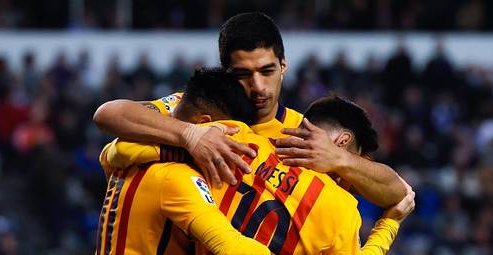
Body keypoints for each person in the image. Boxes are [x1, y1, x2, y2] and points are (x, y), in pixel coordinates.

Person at [104, 88, 415, 255]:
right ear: (343, 142)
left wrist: (134, 154)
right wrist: (388, 224)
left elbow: (121, 151)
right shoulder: (340, 206)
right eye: (357, 163)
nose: (352, 181)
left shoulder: (239, 141)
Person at [77, 69, 318, 255]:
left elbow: (111, 153)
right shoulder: (177, 178)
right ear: (204, 123)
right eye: (228, 135)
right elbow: (232, 248)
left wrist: (179, 144)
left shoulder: (133, 146)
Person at [92, 12, 409, 208]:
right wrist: (190, 135)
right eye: (243, 74)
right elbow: (108, 114)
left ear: (284, 66)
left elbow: (396, 190)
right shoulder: (198, 111)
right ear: (225, 72)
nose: (258, 86)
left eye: (267, 71)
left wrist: (339, 159)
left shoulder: (303, 134)